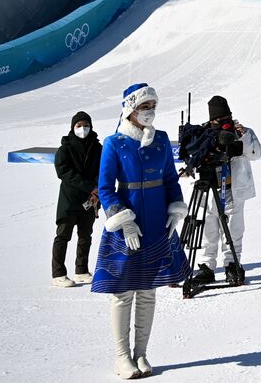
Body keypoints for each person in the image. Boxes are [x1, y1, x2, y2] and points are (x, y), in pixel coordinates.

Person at [93, 83, 188, 379]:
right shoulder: (114, 143)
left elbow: (171, 179)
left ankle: (141, 354)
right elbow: (106, 188)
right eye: (144, 107)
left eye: (153, 106)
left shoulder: (160, 139)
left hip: (158, 223)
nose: (150, 112)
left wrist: (175, 208)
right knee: (123, 293)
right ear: (130, 109)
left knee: (148, 291)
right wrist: (123, 219)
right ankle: (122, 357)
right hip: (128, 227)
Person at [190, 96, 261, 289]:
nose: (223, 123)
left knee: (234, 229)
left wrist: (244, 136)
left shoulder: (242, 132)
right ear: (211, 120)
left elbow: (256, 154)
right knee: (208, 229)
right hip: (210, 188)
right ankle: (206, 267)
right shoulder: (205, 134)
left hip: (233, 188)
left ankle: (232, 265)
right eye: (218, 120)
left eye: (226, 118)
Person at [52, 111, 101, 287]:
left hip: (90, 200)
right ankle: (58, 274)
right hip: (69, 199)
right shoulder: (65, 148)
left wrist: (97, 190)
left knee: (85, 235)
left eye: (86, 125)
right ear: (73, 128)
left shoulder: (97, 148)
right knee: (63, 235)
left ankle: (81, 270)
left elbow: (102, 171)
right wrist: (90, 186)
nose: (83, 129)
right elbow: (64, 172)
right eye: (79, 125)